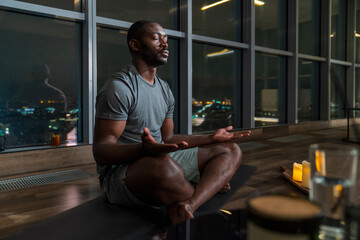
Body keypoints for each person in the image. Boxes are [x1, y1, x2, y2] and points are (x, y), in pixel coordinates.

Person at [93, 20, 251, 224]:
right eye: (156, 38)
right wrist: (144, 149)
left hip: (161, 158)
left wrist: (209, 138)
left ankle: (189, 204)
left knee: (231, 150)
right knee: (164, 168)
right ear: (135, 45)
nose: (165, 44)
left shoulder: (164, 89)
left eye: (166, 39)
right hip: (121, 174)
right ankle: (206, 187)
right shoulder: (120, 87)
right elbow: (101, 151)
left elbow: (168, 138)